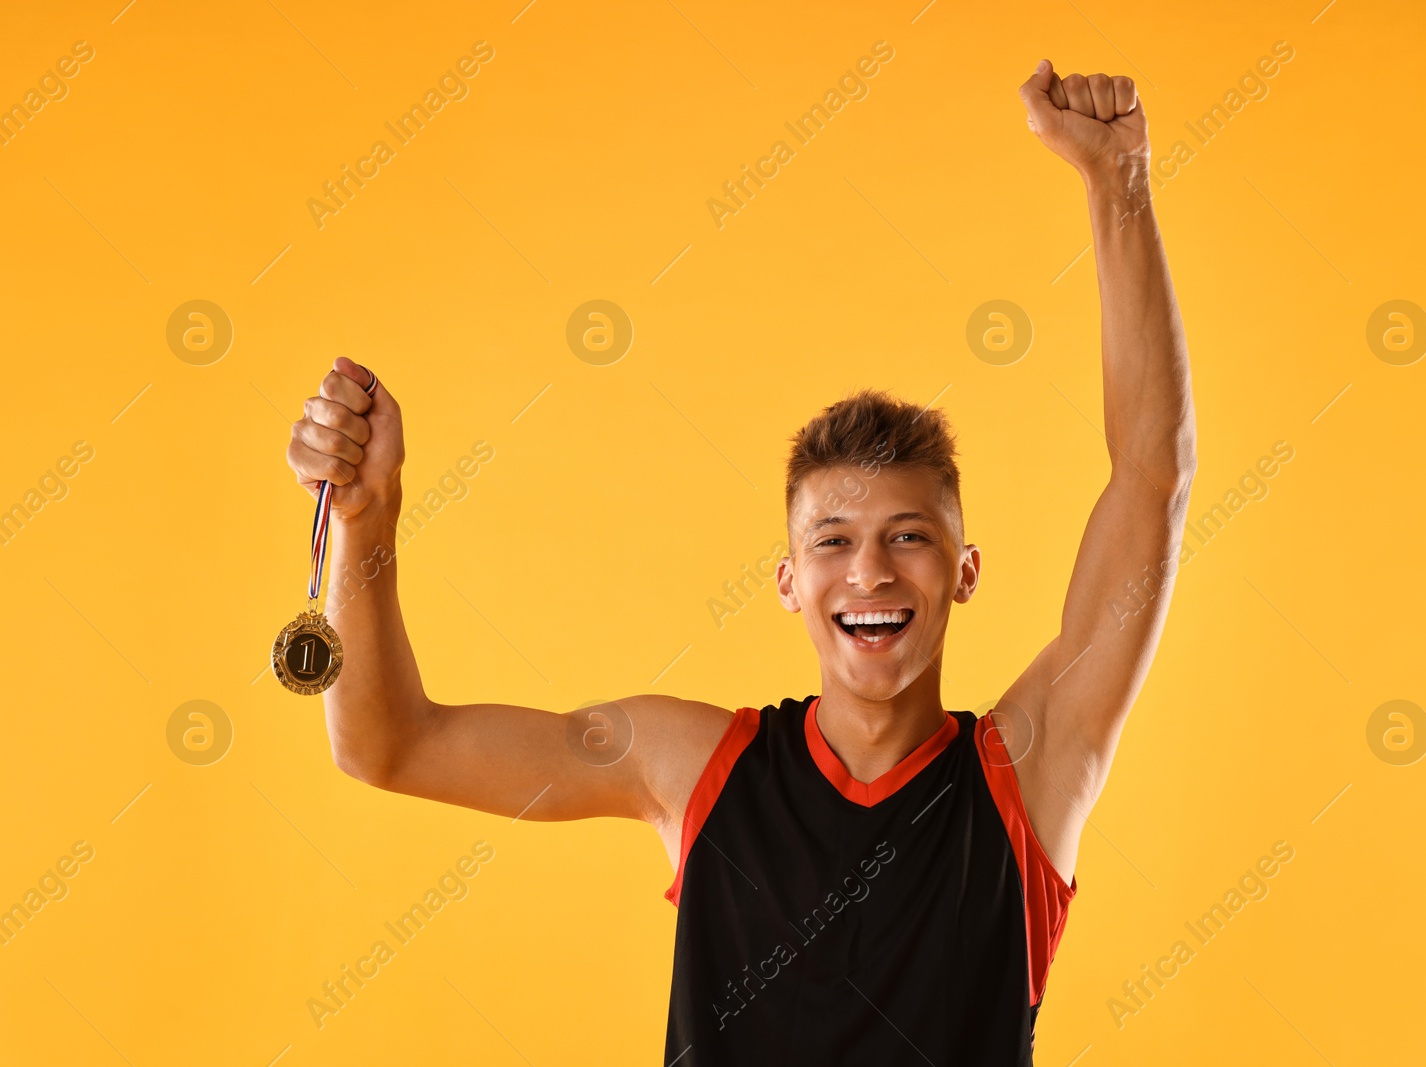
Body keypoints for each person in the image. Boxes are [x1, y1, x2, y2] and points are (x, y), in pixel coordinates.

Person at [284, 58, 1194, 1066]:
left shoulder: (1026, 775)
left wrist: (1119, 181)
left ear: (964, 570)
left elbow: (1149, 477)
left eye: (908, 536)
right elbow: (389, 744)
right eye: (833, 543)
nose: (871, 574)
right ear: (789, 580)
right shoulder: (694, 768)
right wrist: (367, 523)